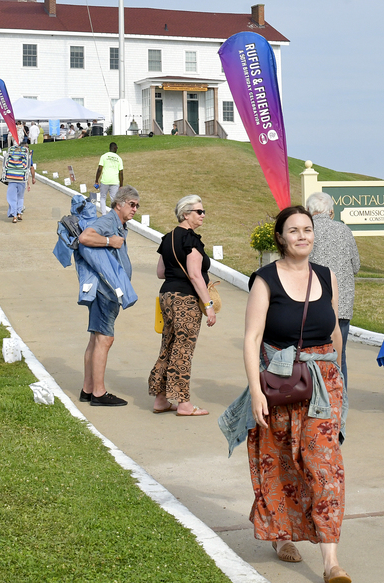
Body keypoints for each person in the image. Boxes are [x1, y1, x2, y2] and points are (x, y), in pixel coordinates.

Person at [219, 205, 349, 581]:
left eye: (307, 229)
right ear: (280, 237)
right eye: (293, 230)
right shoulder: (265, 280)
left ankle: (330, 561)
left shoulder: (327, 276)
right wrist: (257, 392)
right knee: (279, 464)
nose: (302, 236)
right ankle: (280, 535)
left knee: (325, 468)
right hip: (278, 385)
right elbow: (251, 338)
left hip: (323, 387)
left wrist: (338, 377)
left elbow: (335, 331)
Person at [149, 194, 217, 416]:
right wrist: (208, 306)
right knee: (183, 349)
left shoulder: (167, 238)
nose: (203, 215)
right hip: (185, 300)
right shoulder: (191, 239)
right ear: (185, 214)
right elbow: (196, 275)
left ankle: (160, 399)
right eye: (199, 211)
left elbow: (160, 273)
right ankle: (184, 403)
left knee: (168, 345)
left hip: (166, 296)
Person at [77, 186, 140, 407]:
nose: (135, 209)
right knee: (105, 339)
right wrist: (109, 242)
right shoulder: (109, 222)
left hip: (103, 289)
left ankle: (87, 389)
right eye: (132, 204)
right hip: (106, 290)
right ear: (119, 204)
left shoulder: (118, 224)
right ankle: (99, 393)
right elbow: (86, 237)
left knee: (95, 338)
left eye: (137, 206)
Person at [307, 191, 362, 390]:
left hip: (313, 303)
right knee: (340, 355)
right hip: (342, 304)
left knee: (312, 355)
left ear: (308, 211)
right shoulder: (344, 230)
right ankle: (340, 403)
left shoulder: (307, 231)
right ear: (331, 211)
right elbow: (355, 265)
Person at [2, 140, 34, 222]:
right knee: (20, 197)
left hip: (12, 179)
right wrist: (28, 183)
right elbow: (27, 170)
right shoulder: (25, 158)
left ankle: (14, 216)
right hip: (21, 180)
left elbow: (5, 166)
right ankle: (19, 213)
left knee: (12, 198)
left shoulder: (10, 157)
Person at [95, 141, 126, 210]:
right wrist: (121, 184)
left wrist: (96, 180)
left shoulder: (104, 156)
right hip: (115, 181)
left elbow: (100, 169)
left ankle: (103, 214)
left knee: (103, 198)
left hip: (105, 180)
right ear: (115, 148)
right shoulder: (119, 158)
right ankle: (112, 216)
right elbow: (121, 173)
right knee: (113, 200)